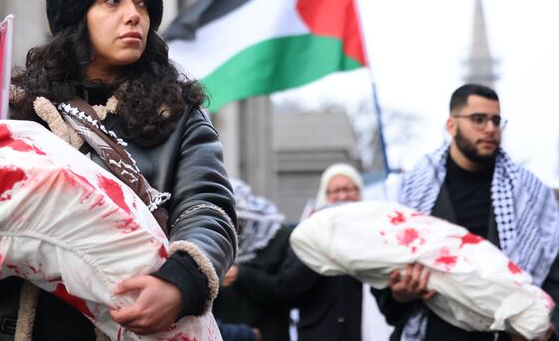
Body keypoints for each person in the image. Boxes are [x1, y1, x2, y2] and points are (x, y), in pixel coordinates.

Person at [0, 0, 238, 340]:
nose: (134, 15)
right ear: (76, 17)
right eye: (112, 2)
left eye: (142, 3)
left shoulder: (179, 112)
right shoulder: (13, 112)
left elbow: (208, 207)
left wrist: (180, 281)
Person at [374, 84, 559, 341]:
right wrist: (398, 295)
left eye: (496, 120)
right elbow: (383, 269)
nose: (490, 129)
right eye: (478, 119)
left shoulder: (530, 193)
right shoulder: (410, 191)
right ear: (451, 126)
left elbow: (552, 271)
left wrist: (543, 327)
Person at [286, 163, 367, 341]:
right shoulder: (307, 232)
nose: (343, 196)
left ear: (359, 192)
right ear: (325, 195)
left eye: (348, 189)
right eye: (335, 191)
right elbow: (290, 287)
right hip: (320, 332)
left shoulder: (372, 228)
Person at [213, 179, 296, 341]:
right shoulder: (211, 241)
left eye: (238, 223)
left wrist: (241, 276)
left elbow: (288, 292)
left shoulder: (277, 238)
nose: (234, 230)